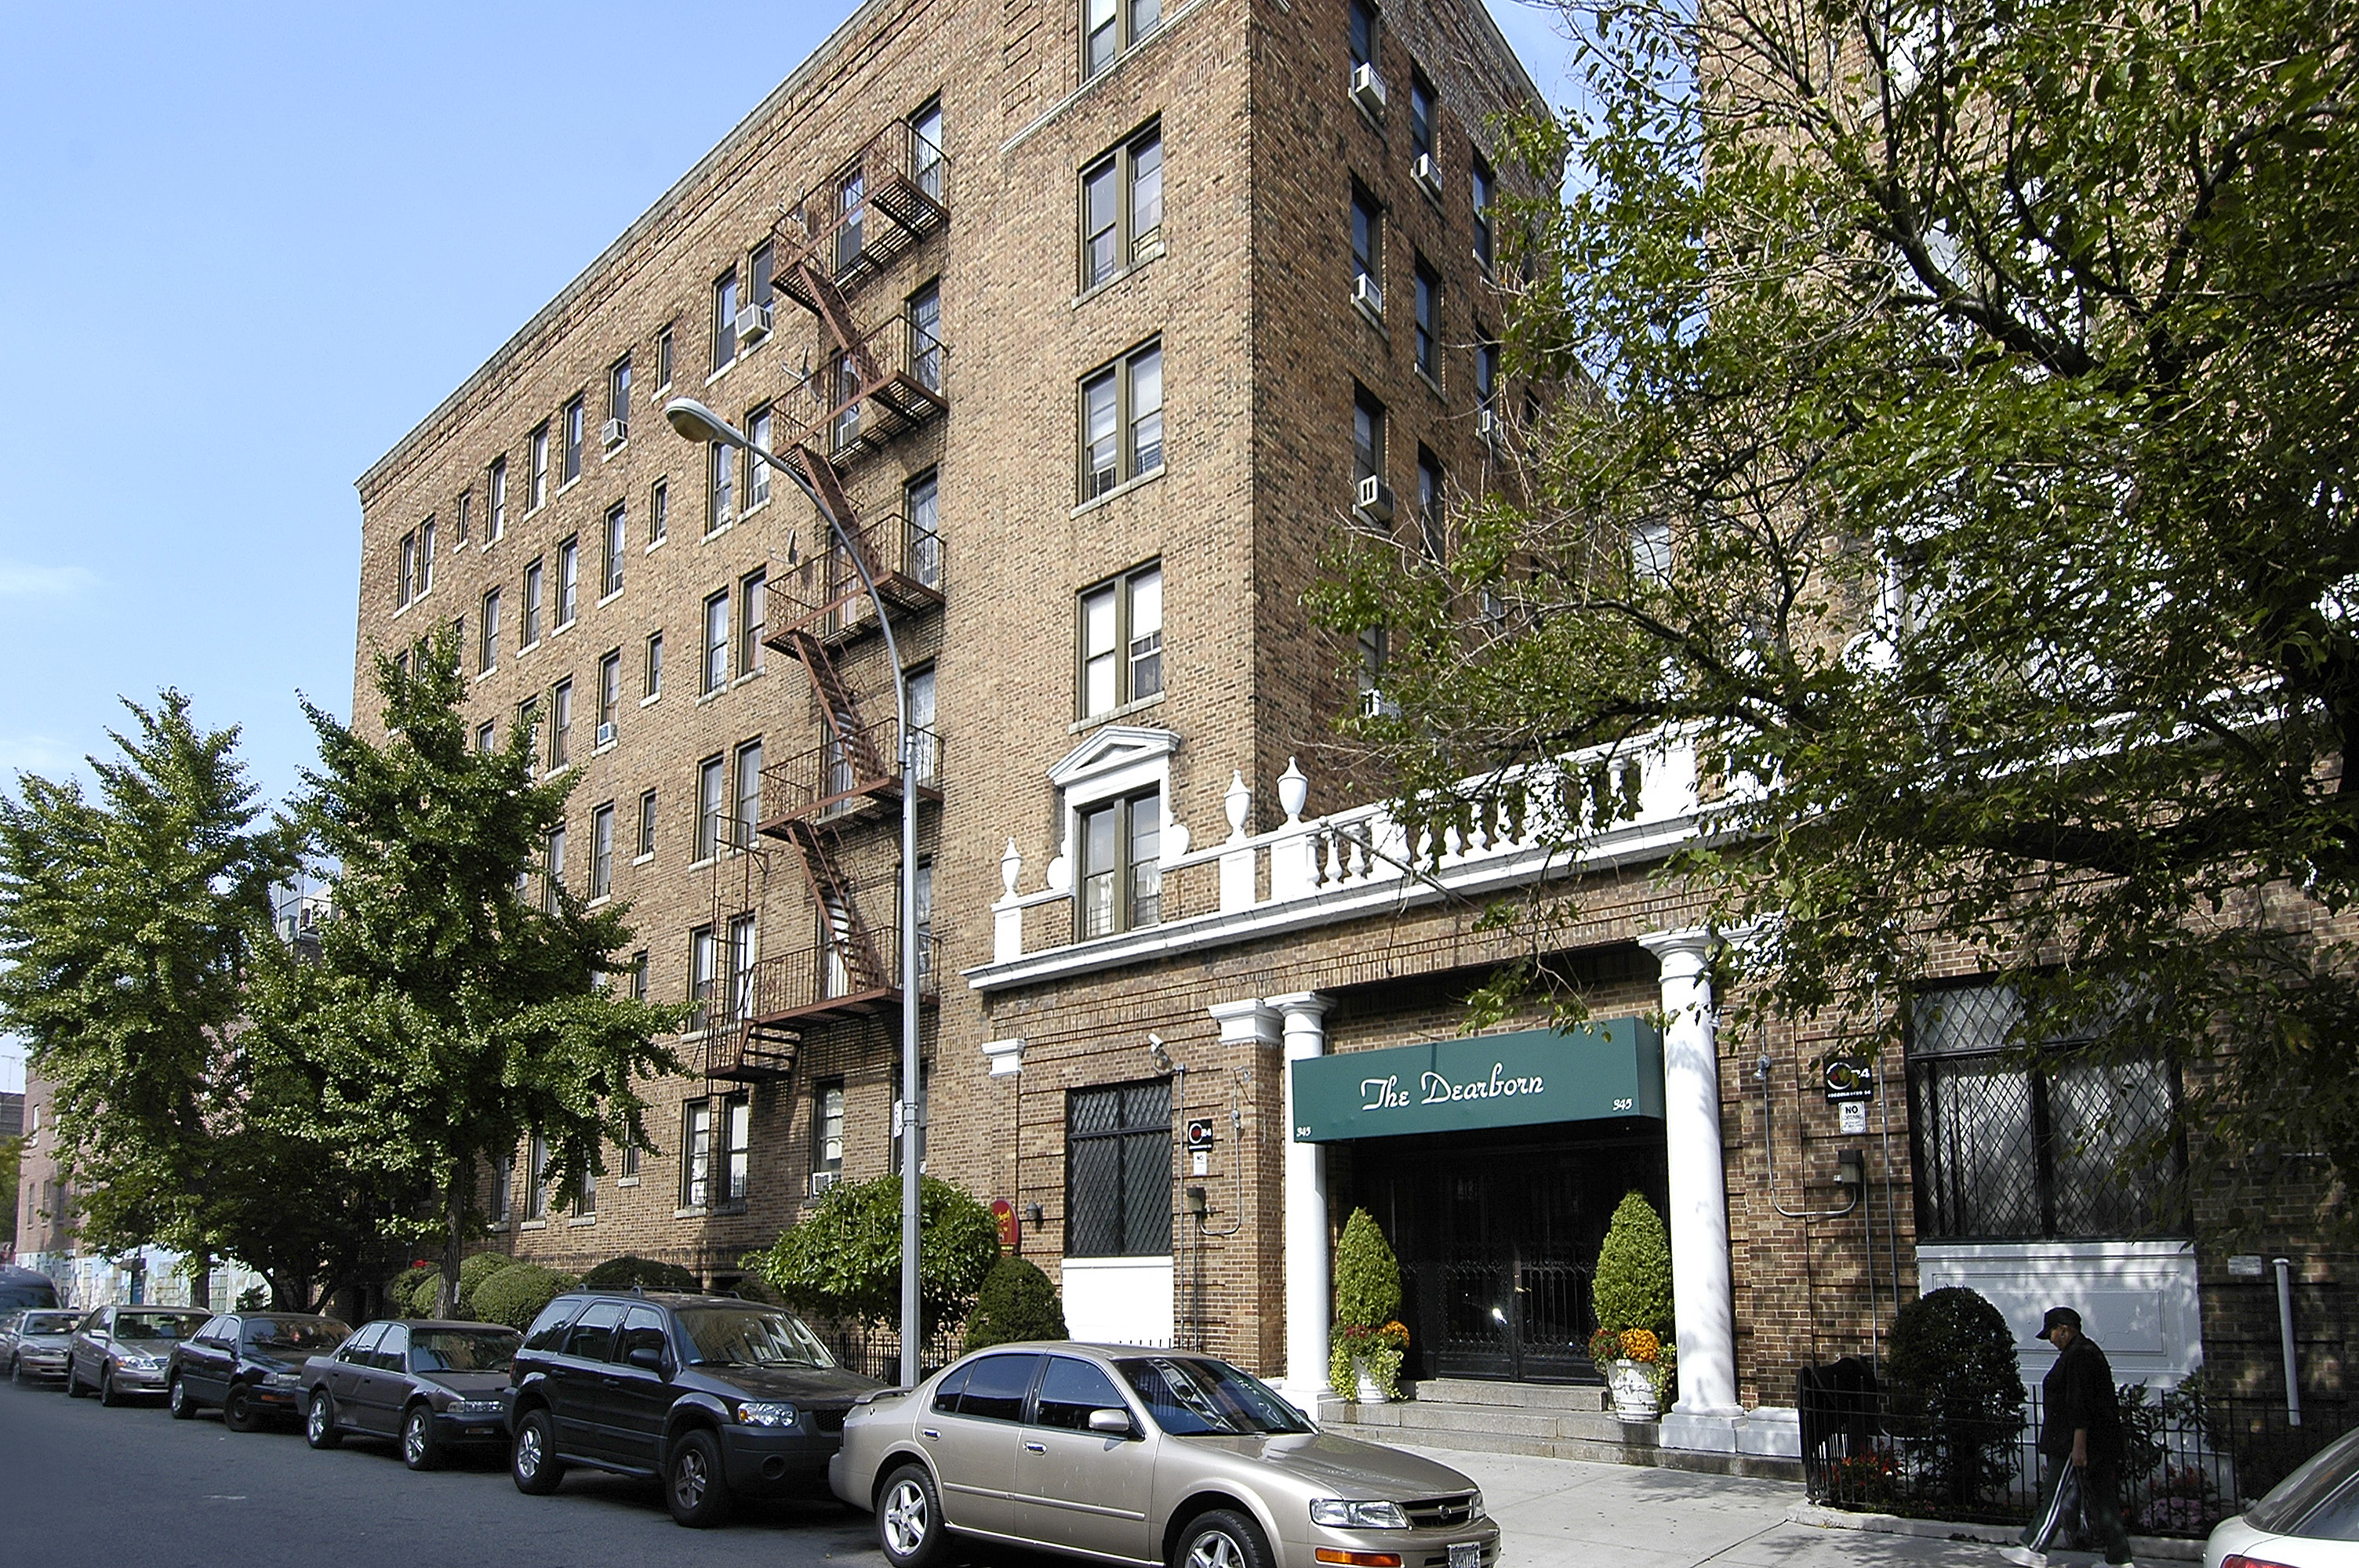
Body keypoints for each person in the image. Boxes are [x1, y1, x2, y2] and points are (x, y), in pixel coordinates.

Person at [2003, 1306, 2134, 1568]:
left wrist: (2079, 1446)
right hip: (2095, 1441)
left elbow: (2079, 1403)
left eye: (2052, 1332)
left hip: (2071, 1442)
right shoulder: (2086, 1353)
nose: (2051, 1340)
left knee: (2055, 1495)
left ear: (2064, 1330)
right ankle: (2120, 1559)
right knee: (2103, 1499)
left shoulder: (2078, 1356)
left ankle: (2034, 1548)